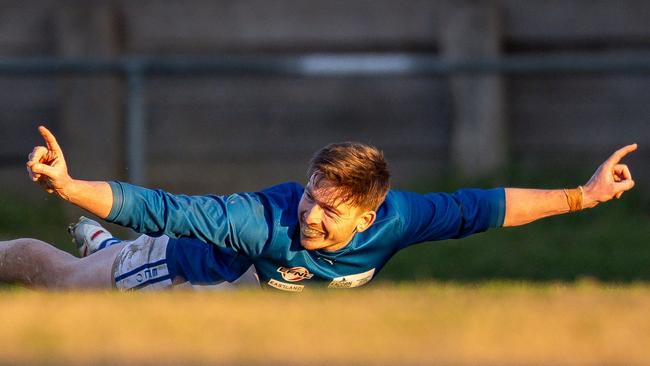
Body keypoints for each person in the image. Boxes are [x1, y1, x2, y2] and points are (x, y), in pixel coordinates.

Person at [0, 126, 637, 291]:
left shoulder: (402, 220)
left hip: (256, 296)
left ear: (368, 217)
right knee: (55, 280)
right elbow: (164, 207)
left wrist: (585, 196)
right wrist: (69, 184)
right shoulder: (261, 220)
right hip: (191, 268)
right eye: (310, 197)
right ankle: (100, 249)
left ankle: (104, 244)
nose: (310, 216)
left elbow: (484, 207)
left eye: (331, 212)